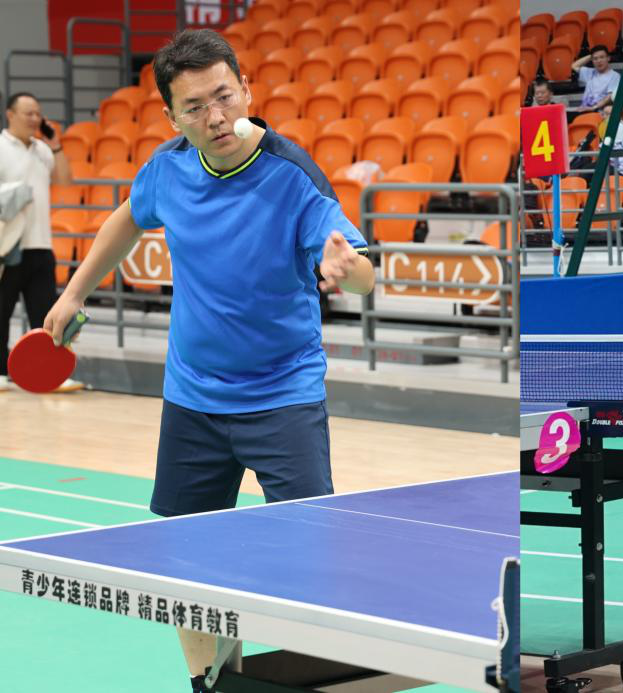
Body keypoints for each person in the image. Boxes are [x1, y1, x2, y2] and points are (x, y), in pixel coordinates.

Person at [42, 30, 374, 692]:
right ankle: (209, 682)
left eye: (224, 96)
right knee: (188, 559)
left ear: (246, 89)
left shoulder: (291, 173)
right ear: (172, 117)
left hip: (282, 395)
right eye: (194, 107)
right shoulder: (167, 168)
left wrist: (348, 269)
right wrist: (74, 291)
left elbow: (360, 267)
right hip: (193, 397)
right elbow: (127, 218)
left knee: (310, 554)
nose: (215, 116)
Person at [0, 91, 79, 393]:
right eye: (28, 113)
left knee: (47, 315)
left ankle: (52, 375)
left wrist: (56, 144)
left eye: (37, 113)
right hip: (8, 247)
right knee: (1, 313)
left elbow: (65, 181)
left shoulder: (43, 150)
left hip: (41, 246)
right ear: (10, 114)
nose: (35, 119)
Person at [572, 44, 620, 114]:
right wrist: (590, 56)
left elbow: (610, 96)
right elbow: (574, 66)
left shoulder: (615, 76)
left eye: (602, 57)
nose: (599, 61)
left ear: (608, 58)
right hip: (583, 110)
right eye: (595, 59)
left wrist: (594, 108)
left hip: (600, 112)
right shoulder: (590, 72)